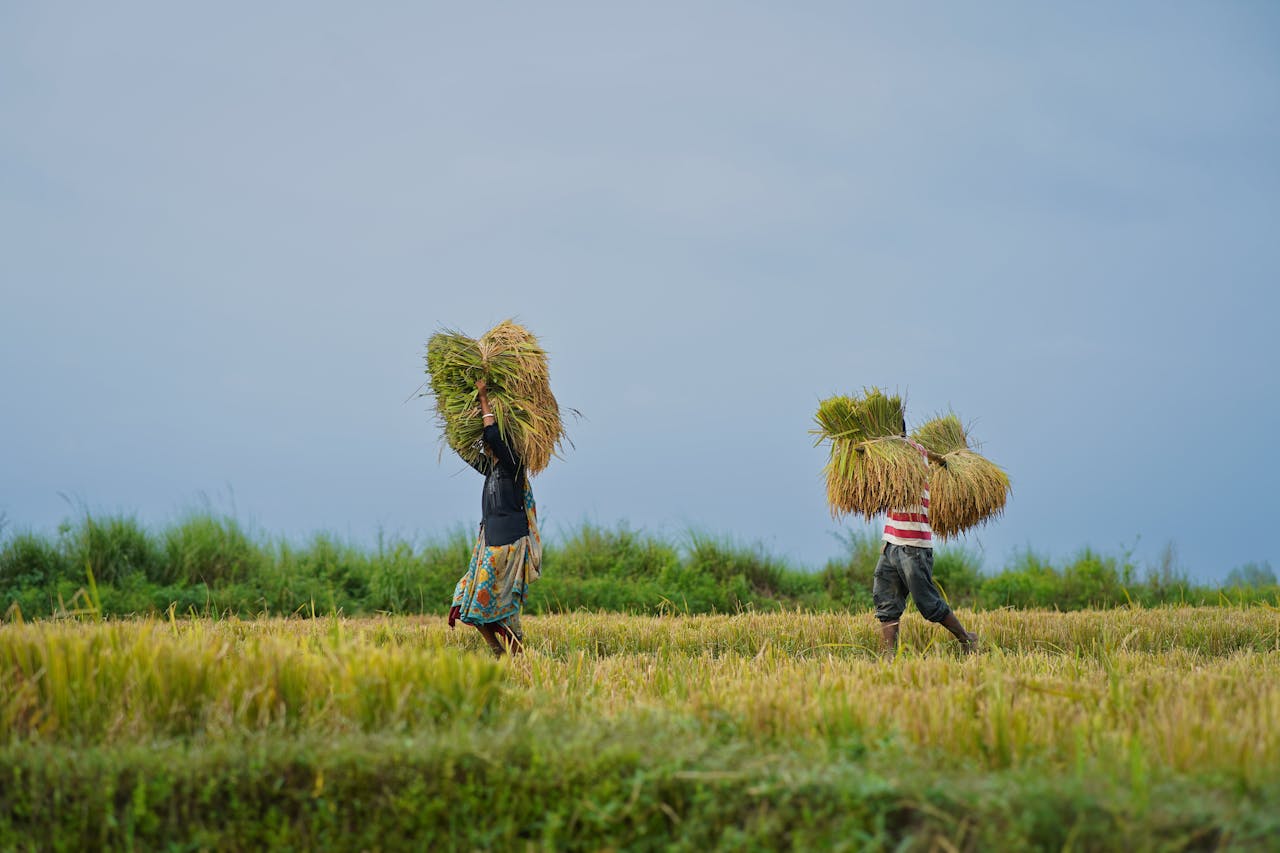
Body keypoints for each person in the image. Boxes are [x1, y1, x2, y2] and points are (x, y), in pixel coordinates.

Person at [447, 378, 542, 656]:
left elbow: (491, 436)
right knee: (465, 596)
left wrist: (483, 396)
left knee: (495, 603)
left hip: (507, 543)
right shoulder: (492, 469)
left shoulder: (513, 463)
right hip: (489, 542)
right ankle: (497, 650)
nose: (490, 448)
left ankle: (516, 653)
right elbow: (466, 452)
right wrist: (458, 424)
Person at [869, 417, 979, 656]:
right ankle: (889, 657)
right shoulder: (884, 457)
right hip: (891, 543)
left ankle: (967, 638)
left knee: (927, 603)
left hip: (914, 547)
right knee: (885, 601)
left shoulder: (914, 454)